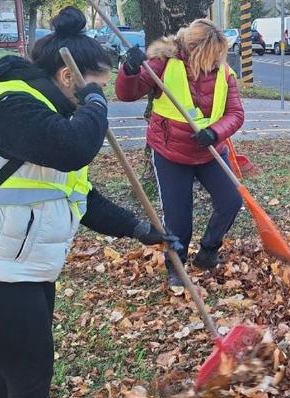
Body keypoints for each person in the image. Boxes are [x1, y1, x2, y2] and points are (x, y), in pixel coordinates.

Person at [0, 7, 180, 398]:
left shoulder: (48, 117)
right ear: (69, 77)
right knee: (31, 378)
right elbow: (74, 148)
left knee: (16, 357)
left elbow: (81, 197)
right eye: (95, 85)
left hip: (22, 269)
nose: (99, 96)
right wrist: (96, 104)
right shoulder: (12, 105)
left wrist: (141, 229)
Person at [116, 19, 244, 292]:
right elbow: (128, 94)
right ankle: (176, 266)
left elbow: (235, 113)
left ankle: (208, 250)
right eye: (212, 55)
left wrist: (215, 132)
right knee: (178, 217)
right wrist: (129, 70)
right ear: (195, 51)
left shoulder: (224, 72)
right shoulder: (164, 63)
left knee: (231, 201)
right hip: (170, 152)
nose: (217, 60)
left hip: (209, 151)